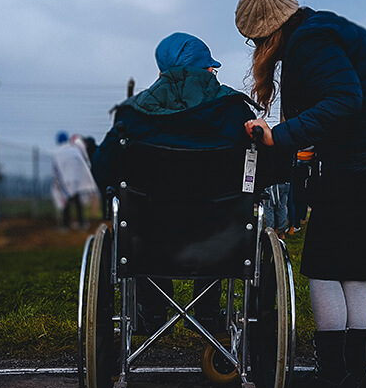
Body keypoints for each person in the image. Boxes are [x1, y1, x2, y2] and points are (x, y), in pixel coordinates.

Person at [235, 0, 366, 388]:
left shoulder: (311, 42)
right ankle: (355, 380)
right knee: (354, 270)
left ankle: (333, 377)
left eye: (256, 40)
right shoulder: (326, 29)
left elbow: (344, 99)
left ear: (268, 32)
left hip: (362, 166)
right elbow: (351, 102)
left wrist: (279, 136)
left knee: (322, 267)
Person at [92, 32, 259, 334]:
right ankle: (208, 313)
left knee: (142, 219)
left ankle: (153, 311)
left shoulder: (132, 115)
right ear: (208, 70)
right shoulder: (236, 113)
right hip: (220, 241)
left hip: (147, 240)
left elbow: (103, 170)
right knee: (218, 216)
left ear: (161, 73)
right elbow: (264, 170)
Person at [51, 131, 98, 230]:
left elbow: (56, 169)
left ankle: (65, 224)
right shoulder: (74, 150)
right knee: (77, 203)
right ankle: (82, 223)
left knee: (66, 204)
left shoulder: (56, 153)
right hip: (77, 180)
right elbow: (83, 164)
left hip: (65, 181)